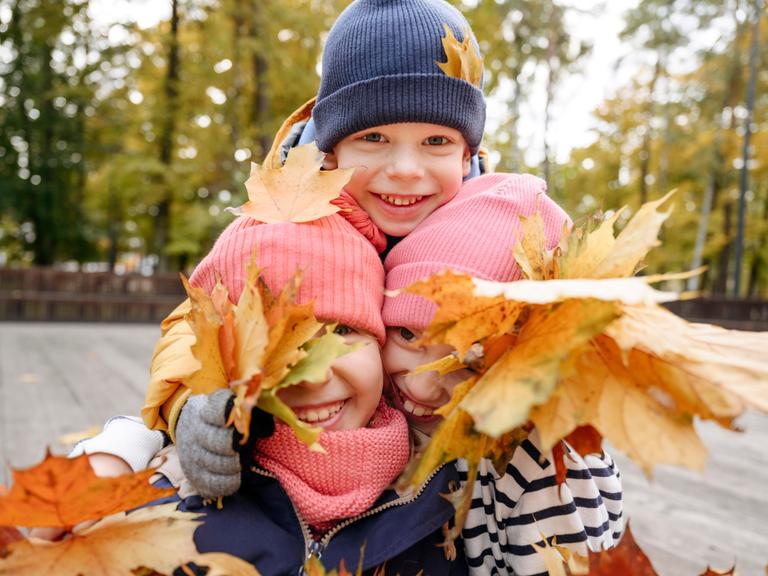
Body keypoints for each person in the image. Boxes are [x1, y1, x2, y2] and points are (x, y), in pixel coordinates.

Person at [381, 172, 624, 576]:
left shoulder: (541, 470)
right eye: (407, 335)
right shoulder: (378, 419)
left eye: (468, 362)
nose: (421, 384)